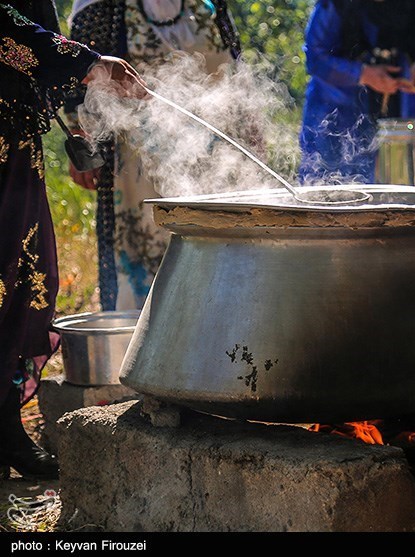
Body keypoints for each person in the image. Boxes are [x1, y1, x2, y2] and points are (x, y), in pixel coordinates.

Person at [0, 0, 146, 479]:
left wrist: (74, 97)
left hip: (15, 137)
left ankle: (3, 423)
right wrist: (88, 62)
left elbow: (35, 27)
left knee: (25, 275)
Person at [66, 0, 241, 310]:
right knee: (148, 250)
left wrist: (248, 123)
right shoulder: (101, 7)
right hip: (138, 162)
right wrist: (80, 135)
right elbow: (78, 68)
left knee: (216, 249)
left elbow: (233, 60)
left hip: (213, 152)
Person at [298, 0, 415, 184]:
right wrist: (363, 74)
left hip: (402, 111)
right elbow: (316, 57)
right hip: (337, 116)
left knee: (405, 193)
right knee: (334, 193)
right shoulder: (333, 4)